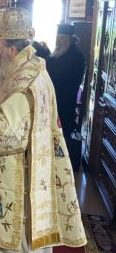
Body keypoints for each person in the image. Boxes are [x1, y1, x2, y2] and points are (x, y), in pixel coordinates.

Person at [0, 8, 86, 253]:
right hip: (29, 168)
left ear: (12, 49)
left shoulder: (24, 81)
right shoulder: (31, 67)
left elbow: (9, 132)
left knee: (17, 242)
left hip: (19, 178)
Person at [46, 23, 86, 171]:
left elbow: (73, 82)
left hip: (65, 102)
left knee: (62, 133)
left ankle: (61, 165)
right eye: (57, 38)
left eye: (61, 38)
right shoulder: (55, 54)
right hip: (52, 100)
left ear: (69, 39)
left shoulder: (77, 57)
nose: (58, 41)